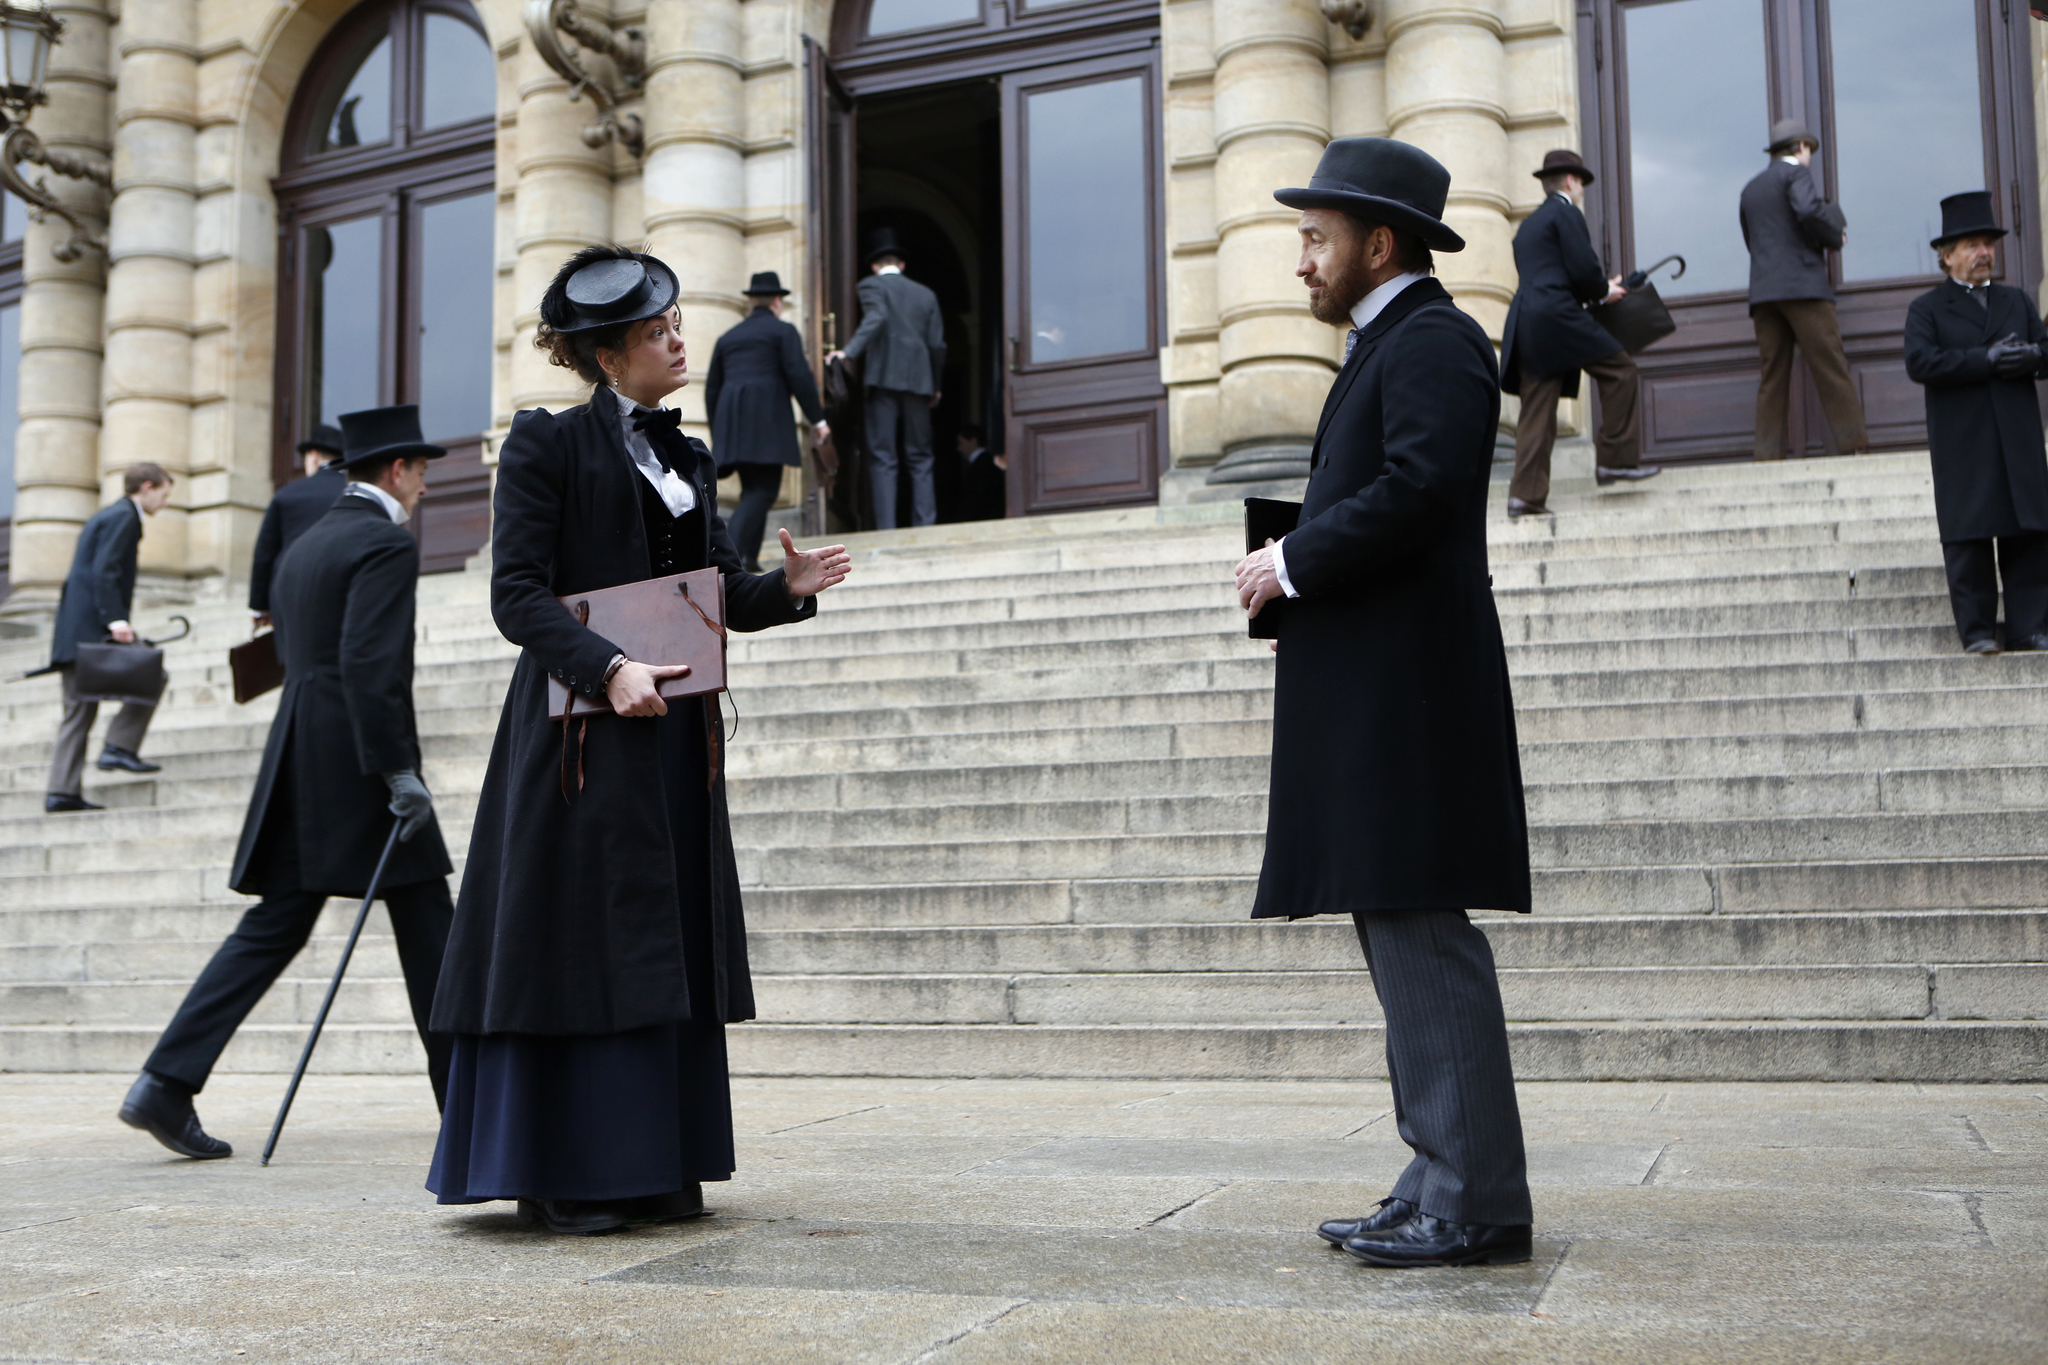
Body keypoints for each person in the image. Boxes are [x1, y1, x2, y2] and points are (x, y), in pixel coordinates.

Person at [427, 245, 852, 1235]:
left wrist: (781, 592)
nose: (678, 341)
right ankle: (574, 1171)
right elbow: (517, 596)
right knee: (584, 942)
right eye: (658, 332)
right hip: (579, 736)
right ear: (610, 356)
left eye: (673, 325)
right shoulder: (545, 447)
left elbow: (709, 594)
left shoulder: (686, 456)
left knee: (660, 938)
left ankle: (656, 1162)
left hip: (670, 739)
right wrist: (607, 665)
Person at [1235, 137, 1533, 1269]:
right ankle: (1437, 1173)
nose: (1299, 261)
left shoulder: (1434, 339)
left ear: (1378, 242)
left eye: (1315, 240)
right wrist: (1293, 558)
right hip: (1379, 694)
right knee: (1397, 929)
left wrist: (1292, 559)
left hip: (1410, 703)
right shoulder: (1388, 343)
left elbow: (1420, 487)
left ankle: (1471, 1198)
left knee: (1419, 931)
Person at [118, 406, 454, 1159]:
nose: (427, 488)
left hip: (302, 749)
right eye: (424, 473)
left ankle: (165, 1082)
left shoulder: (308, 545)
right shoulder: (383, 543)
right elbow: (372, 667)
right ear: (397, 472)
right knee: (432, 922)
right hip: (362, 760)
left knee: (280, 922)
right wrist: (399, 768)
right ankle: (471, 1104)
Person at [1903, 191, 2048, 655]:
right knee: (1968, 539)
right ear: (1946, 256)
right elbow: (1921, 362)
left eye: (1988, 243)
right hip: (1964, 440)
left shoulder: (2017, 301)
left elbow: (2046, 349)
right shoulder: (1926, 309)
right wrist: (1983, 359)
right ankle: (1979, 631)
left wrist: (2036, 355)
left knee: (2027, 536)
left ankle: (2030, 628)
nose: (1984, 253)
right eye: (1972, 245)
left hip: (2017, 435)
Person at [1500, 149, 1658, 517]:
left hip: (1528, 320)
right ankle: (1615, 460)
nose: (1582, 190)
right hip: (1558, 317)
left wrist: (1599, 287)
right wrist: (1604, 290)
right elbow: (1583, 268)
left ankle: (1524, 495)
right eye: (1581, 183)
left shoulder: (1529, 225)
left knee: (1537, 410)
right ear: (1571, 181)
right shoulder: (1566, 212)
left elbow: (1551, 271)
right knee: (1621, 371)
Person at [43, 463, 174, 813]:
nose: (165, 502)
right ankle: (118, 747)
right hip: (93, 633)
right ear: (147, 487)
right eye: (164, 493)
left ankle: (62, 791)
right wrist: (116, 621)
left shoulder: (109, 514)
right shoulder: (124, 517)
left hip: (77, 634)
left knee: (78, 714)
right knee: (154, 675)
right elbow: (106, 570)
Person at [1740, 118, 1869, 461]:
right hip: (1804, 289)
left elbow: (1752, 241)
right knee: (1829, 365)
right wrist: (1834, 237)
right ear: (1801, 147)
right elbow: (1808, 211)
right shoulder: (1796, 173)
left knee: (1772, 376)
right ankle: (1852, 444)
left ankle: (1767, 455)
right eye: (1808, 149)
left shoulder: (1750, 188)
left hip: (1764, 293)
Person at [705, 271, 829, 571]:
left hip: (732, 425)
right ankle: (724, 558)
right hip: (766, 424)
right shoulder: (782, 331)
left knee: (753, 490)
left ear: (751, 302)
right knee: (763, 491)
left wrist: (719, 432)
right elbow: (799, 377)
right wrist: (818, 419)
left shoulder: (728, 337)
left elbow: (712, 389)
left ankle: (748, 558)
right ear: (777, 301)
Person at [827, 227, 945, 530]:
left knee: (883, 458)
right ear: (902, 264)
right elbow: (937, 346)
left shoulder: (870, 286)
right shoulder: (927, 294)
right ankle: (925, 524)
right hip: (920, 381)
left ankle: (887, 529)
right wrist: (935, 384)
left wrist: (848, 353)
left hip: (882, 381)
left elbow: (876, 317)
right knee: (921, 457)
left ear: (875, 265)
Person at [249, 424, 347, 628]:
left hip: (291, 592)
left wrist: (260, 606)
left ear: (314, 456)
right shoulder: (354, 492)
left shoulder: (287, 494)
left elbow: (264, 555)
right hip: (344, 588)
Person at [956, 422, 1005, 522]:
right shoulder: (985, 462)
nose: (959, 449)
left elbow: (973, 501)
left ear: (973, 441)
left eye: (961, 443)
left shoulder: (981, 465)